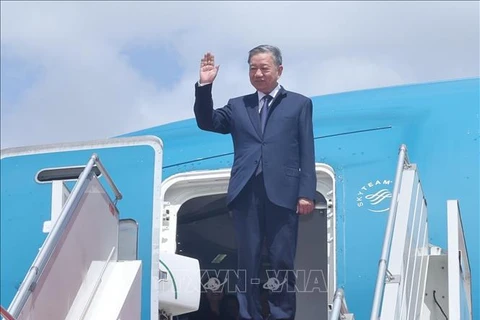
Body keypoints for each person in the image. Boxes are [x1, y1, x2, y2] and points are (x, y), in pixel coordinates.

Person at [193, 45, 316, 320]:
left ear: (279, 70)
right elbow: (206, 121)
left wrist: (306, 193)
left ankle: (282, 315)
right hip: (246, 191)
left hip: (283, 193)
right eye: (253, 68)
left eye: (264, 68)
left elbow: (307, 151)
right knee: (246, 261)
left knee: (281, 261)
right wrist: (205, 86)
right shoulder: (238, 105)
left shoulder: (299, 104)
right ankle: (248, 315)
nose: (258, 73)